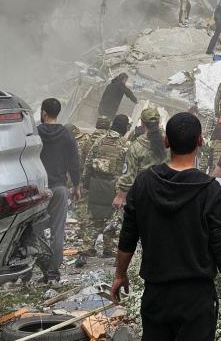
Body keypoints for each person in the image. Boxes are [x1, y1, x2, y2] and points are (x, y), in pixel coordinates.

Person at [113, 112, 221, 338]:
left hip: (156, 294)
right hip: (196, 297)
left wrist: (120, 274)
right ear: (201, 141)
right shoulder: (209, 189)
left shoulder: (144, 182)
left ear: (166, 142)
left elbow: (128, 235)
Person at [36, 98, 81, 283]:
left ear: (44, 112)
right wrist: (76, 185)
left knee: (31, 231)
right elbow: (74, 163)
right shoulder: (67, 135)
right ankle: (53, 273)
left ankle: (39, 267)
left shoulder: (35, 133)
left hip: (36, 191)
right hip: (59, 189)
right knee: (58, 232)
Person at [82, 115, 129, 257]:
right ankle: (109, 248)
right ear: (125, 127)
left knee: (94, 216)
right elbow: (127, 169)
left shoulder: (99, 141)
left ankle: (87, 247)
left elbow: (88, 164)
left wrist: (86, 184)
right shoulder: (125, 144)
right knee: (113, 217)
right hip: (115, 185)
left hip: (96, 183)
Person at [114, 108, 167, 209]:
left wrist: (120, 196)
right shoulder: (171, 142)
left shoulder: (136, 146)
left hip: (142, 195)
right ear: (159, 122)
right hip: (164, 194)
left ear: (142, 123)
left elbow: (128, 175)